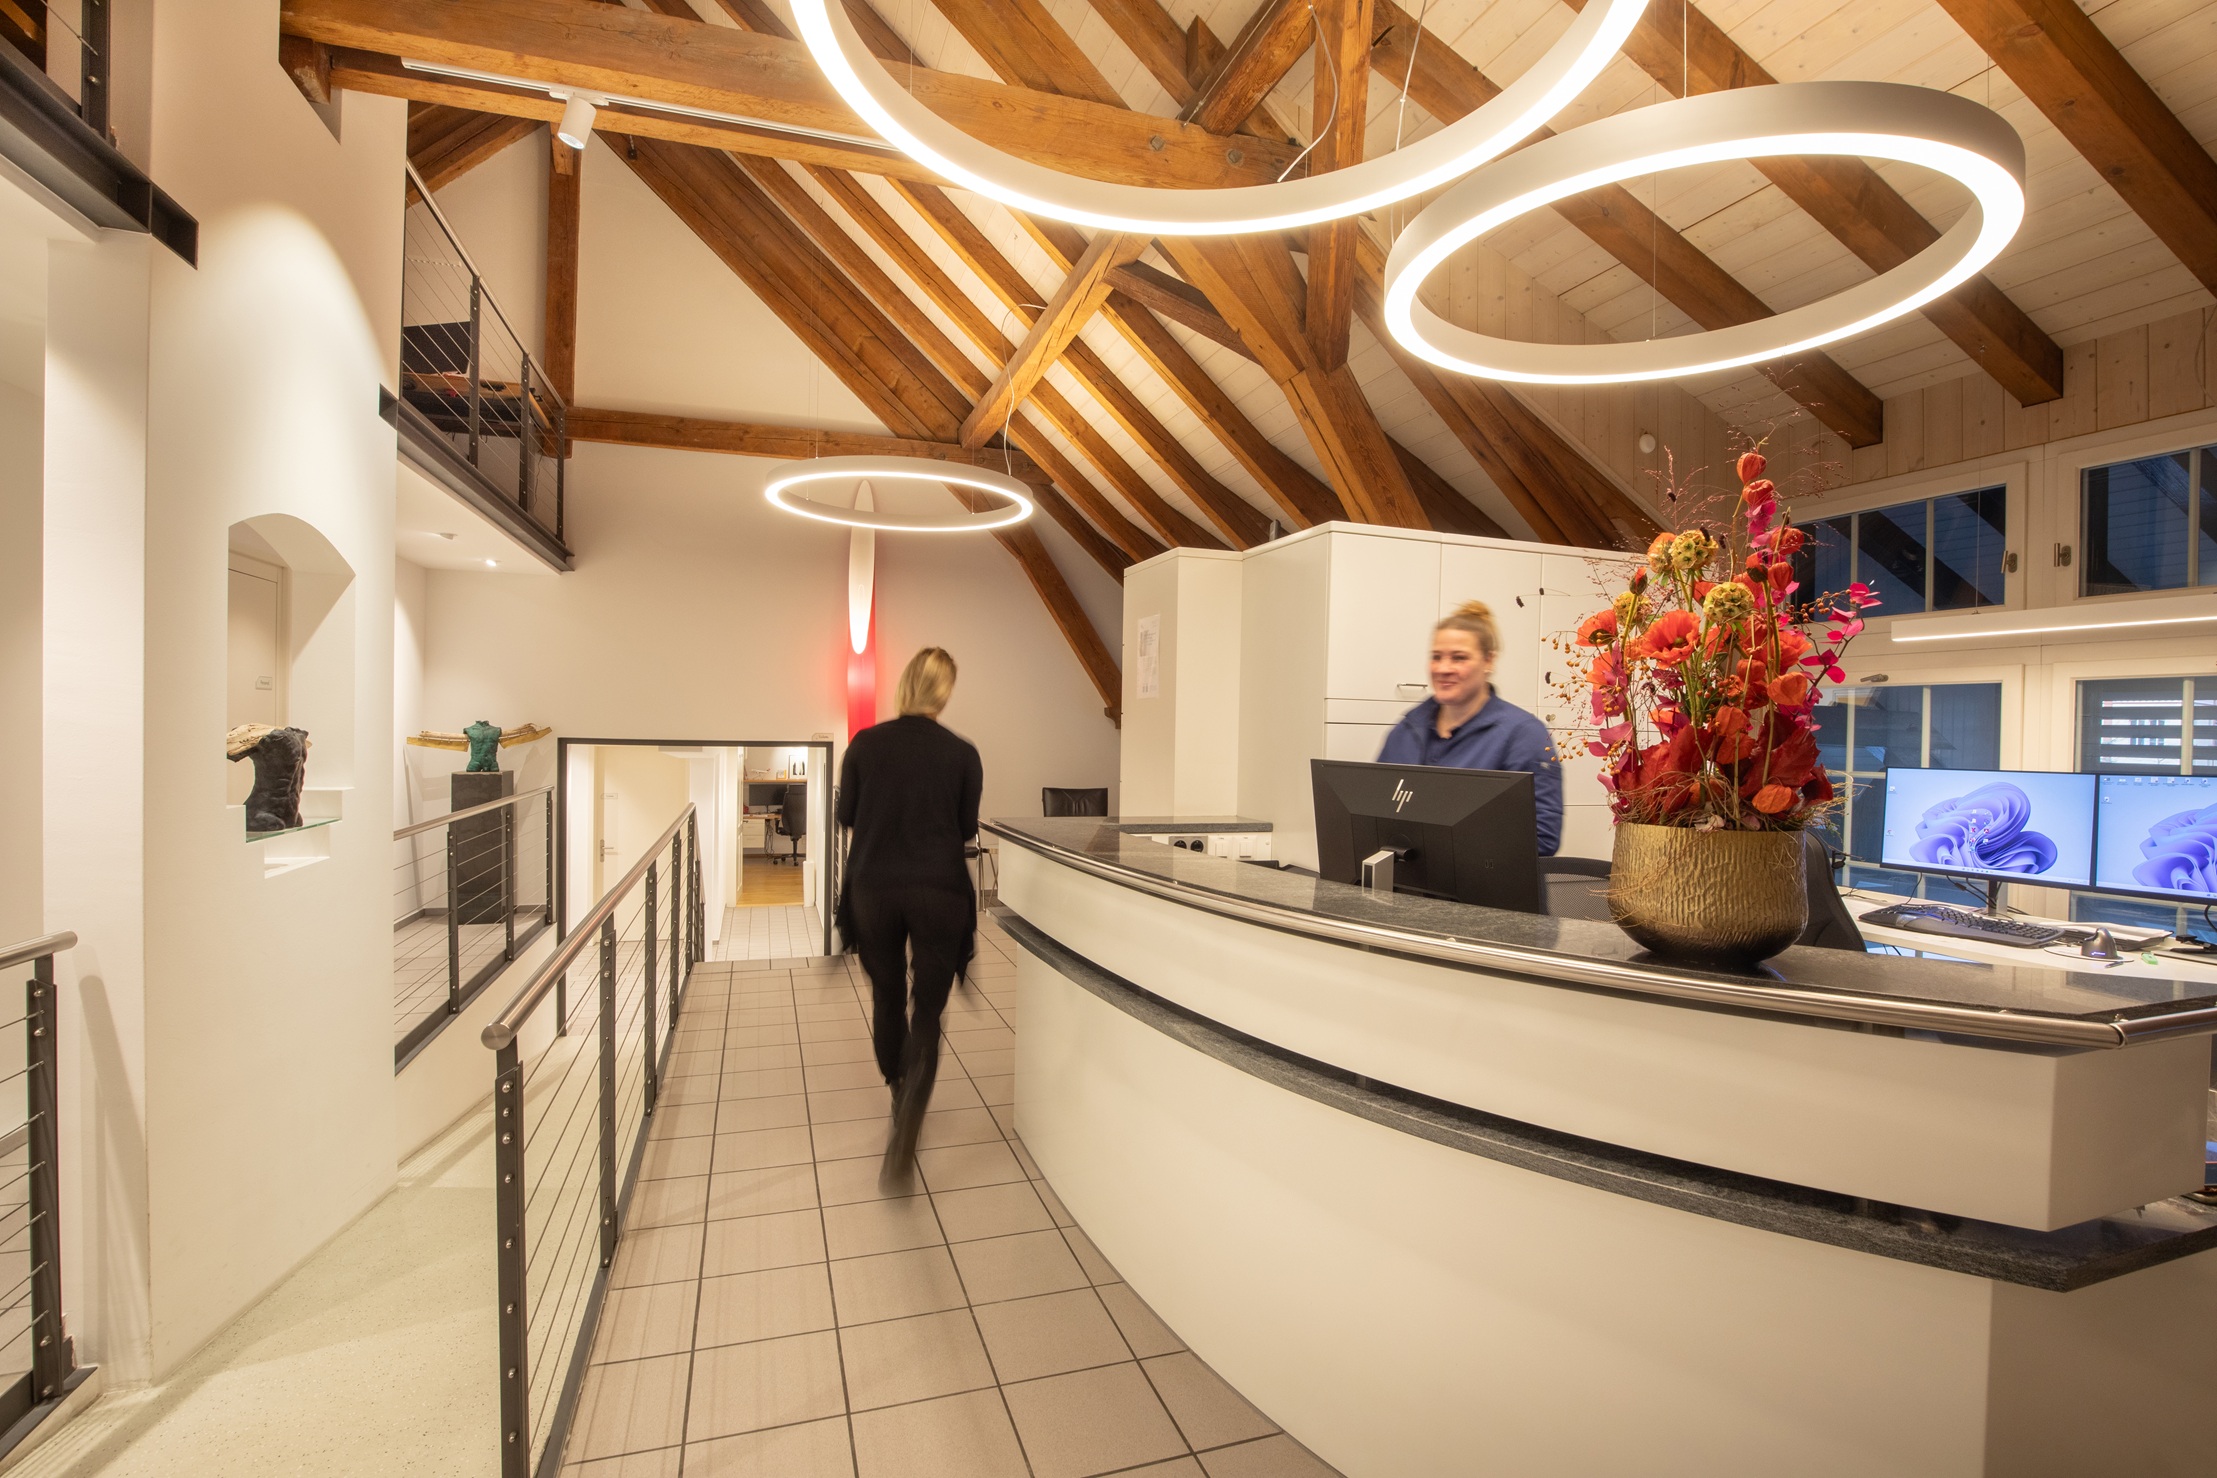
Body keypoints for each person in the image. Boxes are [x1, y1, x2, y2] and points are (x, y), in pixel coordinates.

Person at [834, 647, 984, 1186]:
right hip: (938, 890)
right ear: (944, 692)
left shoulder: (864, 744)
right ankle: (909, 1123)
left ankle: (898, 1091)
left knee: (887, 994)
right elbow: (966, 829)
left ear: (903, 685)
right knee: (928, 1009)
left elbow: (845, 815)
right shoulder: (962, 754)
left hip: (874, 888)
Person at [1377, 600, 1563, 856]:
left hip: (1484, 881)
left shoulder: (1523, 734)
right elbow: (1373, 814)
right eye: (1436, 657)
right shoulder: (1408, 729)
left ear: (1488, 660)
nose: (1443, 669)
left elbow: (1541, 838)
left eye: (1459, 658)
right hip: (1406, 879)